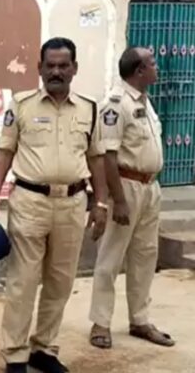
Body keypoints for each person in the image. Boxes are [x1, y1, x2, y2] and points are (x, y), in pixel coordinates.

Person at [0, 37, 108, 373]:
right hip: (30, 202)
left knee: (61, 281)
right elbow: (4, 151)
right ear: (39, 68)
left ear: (74, 68)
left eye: (63, 66)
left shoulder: (90, 108)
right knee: (23, 281)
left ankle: (44, 349)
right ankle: (16, 354)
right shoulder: (21, 105)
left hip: (73, 203)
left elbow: (96, 158)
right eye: (50, 66)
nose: (56, 72)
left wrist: (101, 202)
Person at [88, 47, 175, 349]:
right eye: (152, 63)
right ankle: (100, 323)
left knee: (145, 254)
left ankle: (140, 319)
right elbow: (108, 156)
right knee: (111, 257)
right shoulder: (116, 104)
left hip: (150, 187)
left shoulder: (145, 102)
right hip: (126, 187)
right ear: (139, 70)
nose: (157, 67)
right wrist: (118, 199)